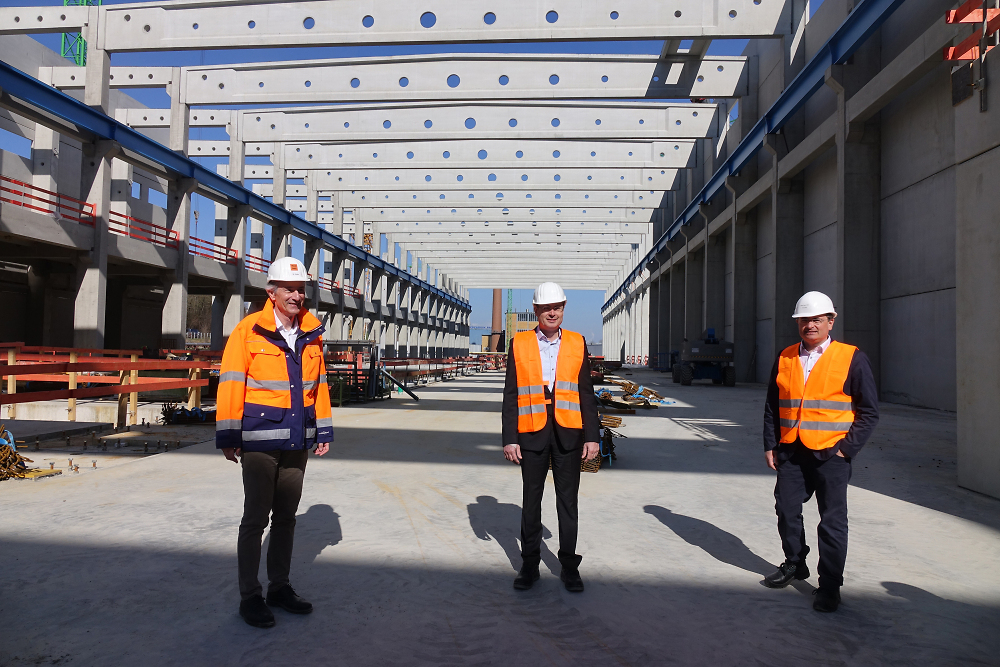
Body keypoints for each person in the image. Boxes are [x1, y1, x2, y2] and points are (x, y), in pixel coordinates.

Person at [216, 256, 334, 628]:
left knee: (286, 517)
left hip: (297, 441)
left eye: (301, 290)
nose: (297, 296)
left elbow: (320, 387)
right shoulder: (248, 331)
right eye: (289, 290)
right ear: (272, 292)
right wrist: (229, 434)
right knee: (255, 519)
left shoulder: (312, 332)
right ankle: (250, 596)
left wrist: (324, 431)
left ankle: (279, 588)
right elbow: (232, 382)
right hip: (259, 440)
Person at [762, 291, 879, 612]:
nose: (809, 325)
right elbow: (773, 405)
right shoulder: (785, 357)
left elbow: (869, 410)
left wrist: (847, 450)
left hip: (832, 454)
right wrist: (770, 444)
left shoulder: (851, 357)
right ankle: (795, 562)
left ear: (831, 321)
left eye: (816, 319)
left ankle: (829, 586)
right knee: (786, 509)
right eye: (804, 320)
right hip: (790, 450)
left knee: (832, 521)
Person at [501, 282, 601, 592]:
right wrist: (510, 438)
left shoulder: (576, 342)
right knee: (531, 502)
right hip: (531, 434)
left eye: (557, 306)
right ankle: (529, 564)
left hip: (569, 435)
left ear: (563, 308)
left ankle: (569, 566)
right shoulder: (519, 344)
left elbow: (585, 393)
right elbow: (511, 395)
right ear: (535, 310)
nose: (552, 312)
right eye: (546, 307)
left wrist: (592, 436)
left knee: (567, 503)